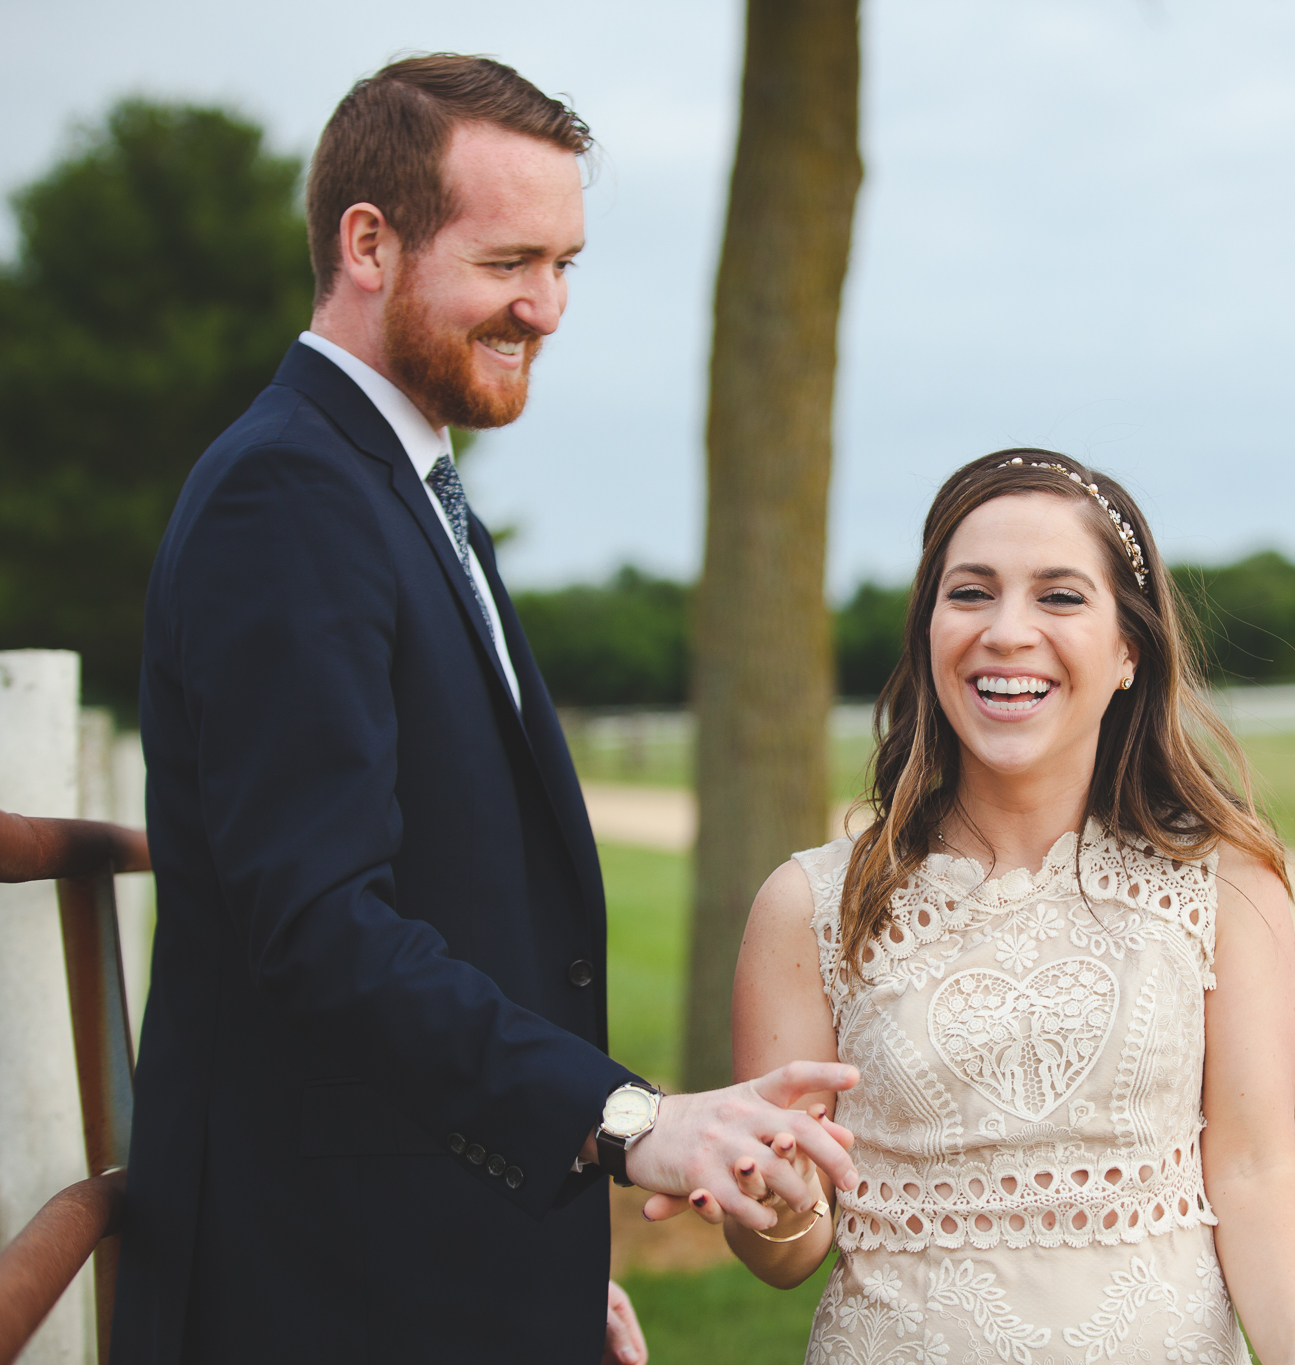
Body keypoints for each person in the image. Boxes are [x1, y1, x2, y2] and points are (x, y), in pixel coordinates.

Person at [115, 54, 857, 1365]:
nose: (550, 306)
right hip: (323, 1292)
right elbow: (324, 926)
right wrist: (634, 1121)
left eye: (566, 264)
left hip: (428, 1257)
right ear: (370, 243)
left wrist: (540, 1261)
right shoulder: (285, 496)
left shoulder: (395, 480)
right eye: (513, 260)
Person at [678, 450, 1295, 1363]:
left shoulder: (1226, 885)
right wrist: (773, 1208)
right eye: (971, 592)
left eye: (1060, 597)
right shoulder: (811, 904)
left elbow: (1258, 1172)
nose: (1007, 632)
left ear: (1128, 649)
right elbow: (787, 1250)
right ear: (928, 632)